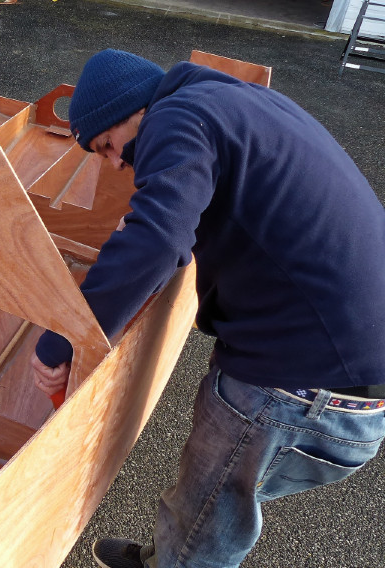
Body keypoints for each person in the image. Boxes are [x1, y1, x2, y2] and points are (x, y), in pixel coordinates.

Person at [29, 49, 385, 568]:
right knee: (207, 497)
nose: (114, 162)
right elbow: (180, 219)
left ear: (133, 111)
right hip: (351, 364)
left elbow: (157, 240)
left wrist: (65, 334)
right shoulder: (226, 100)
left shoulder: (174, 121)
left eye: (107, 145)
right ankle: (166, 556)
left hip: (302, 383)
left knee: (211, 519)